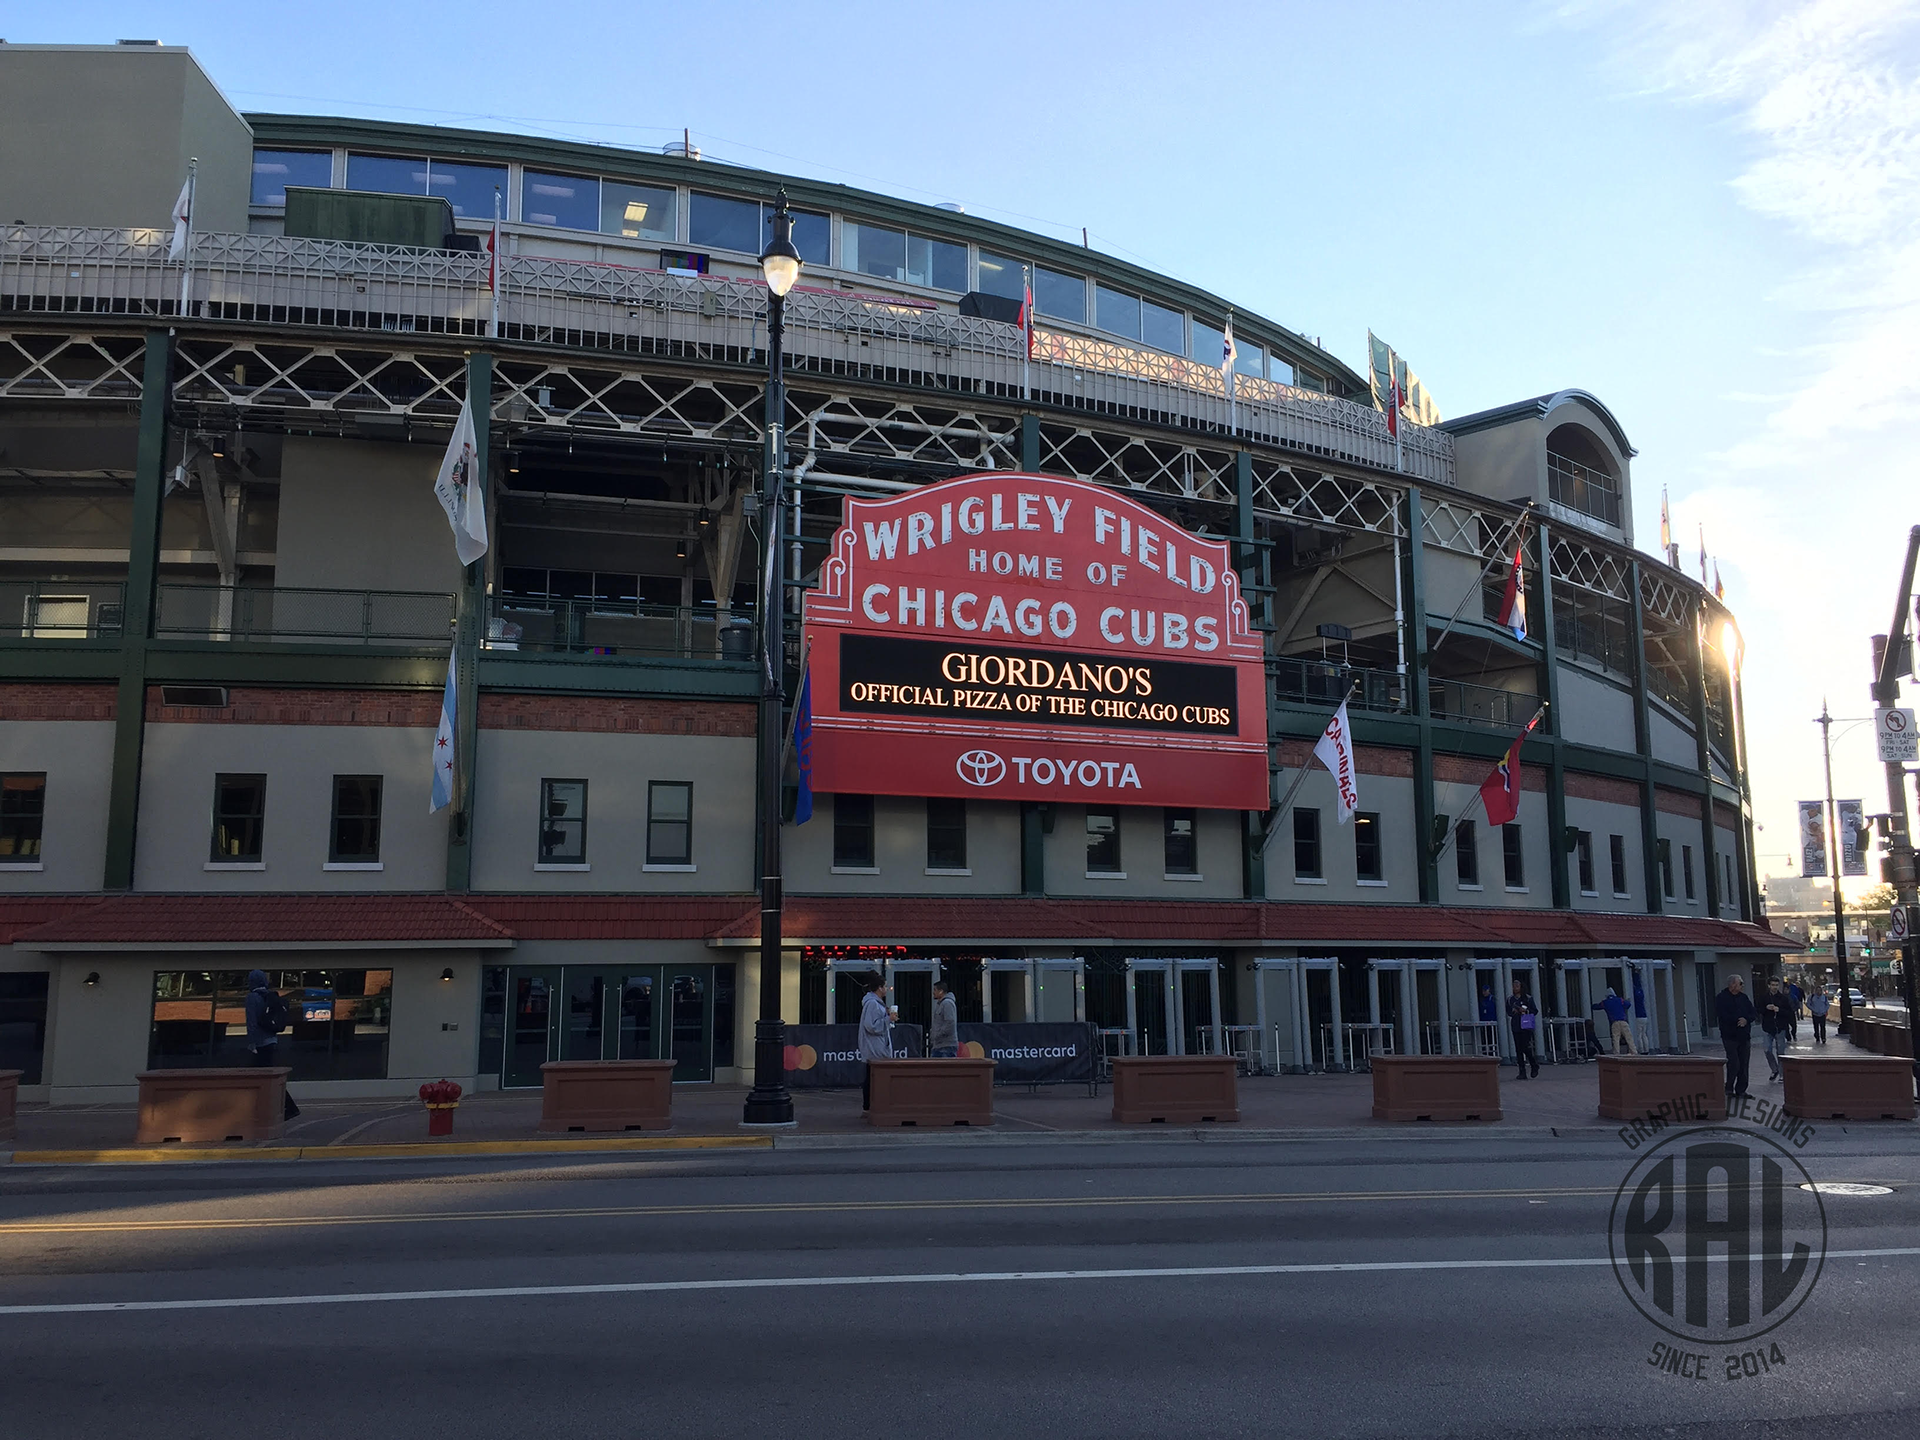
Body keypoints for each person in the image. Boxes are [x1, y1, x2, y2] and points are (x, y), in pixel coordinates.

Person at [243, 969, 300, 1120]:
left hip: (260, 1044)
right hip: (272, 1041)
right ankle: (280, 1108)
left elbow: (251, 1023)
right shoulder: (270, 996)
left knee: (259, 1078)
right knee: (268, 1076)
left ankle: (287, 1108)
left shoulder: (252, 998)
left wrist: (252, 1043)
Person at [1714, 974, 1757, 1097]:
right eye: (1740, 983)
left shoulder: (1744, 998)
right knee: (1734, 1063)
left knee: (1744, 1063)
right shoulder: (1721, 998)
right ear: (1732, 985)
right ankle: (1729, 1088)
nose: (1742, 986)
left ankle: (1741, 1090)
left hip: (1744, 1036)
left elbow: (1753, 1012)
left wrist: (1746, 1020)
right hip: (1729, 1036)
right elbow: (1722, 1015)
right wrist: (1737, 1020)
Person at [858, 974, 892, 1112]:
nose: (886, 989)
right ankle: (868, 1106)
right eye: (884, 986)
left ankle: (869, 1106)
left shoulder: (872, 1003)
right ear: (879, 988)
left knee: (871, 1077)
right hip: (875, 1047)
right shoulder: (873, 1004)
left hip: (874, 1046)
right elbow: (871, 1026)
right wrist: (888, 1019)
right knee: (873, 1078)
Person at [1505, 980, 1540, 1079]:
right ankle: (1522, 1071)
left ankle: (1534, 1064)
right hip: (1516, 1025)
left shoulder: (1528, 998)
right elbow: (1508, 1011)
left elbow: (1534, 1010)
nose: (1514, 989)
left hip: (1526, 1024)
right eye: (1513, 987)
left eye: (1517, 986)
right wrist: (1514, 1011)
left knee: (1525, 1047)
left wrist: (1525, 1011)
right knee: (1518, 1049)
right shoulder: (1510, 999)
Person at [1760, 979, 1792, 1082]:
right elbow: (1758, 1009)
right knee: (1767, 1050)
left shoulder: (1783, 998)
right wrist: (1766, 1008)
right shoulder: (1764, 997)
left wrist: (1780, 1010)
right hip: (1767, 1028)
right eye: (1773, 985)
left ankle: (1782, 1074)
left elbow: (1790, 1013)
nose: (1775, 987)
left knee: (1780, 1052)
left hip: (1780, 1028)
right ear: (1769, 985)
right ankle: (1774, 1069)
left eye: (1777, 985)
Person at [1592, 988, 1636, 1055]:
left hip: (1614, 1023)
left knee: (1616, 1038)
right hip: (1623, 1021)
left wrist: (1592, 1005)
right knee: (1628, 1037)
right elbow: (1628, 1005)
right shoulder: (1620, 1000)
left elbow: (1596, 1007)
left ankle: (1616, 1053)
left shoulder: (1605, 1002)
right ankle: (1634, 1052)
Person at [929, 979, 959, 1059]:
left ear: (941, 991)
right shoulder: (941, 1004)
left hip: (946, 1047)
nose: (933, 992)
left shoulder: (947, 1004)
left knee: (945, 1071)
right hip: (939, 1045)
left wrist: (937, 1035)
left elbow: (950, 1023)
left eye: (935, 990)